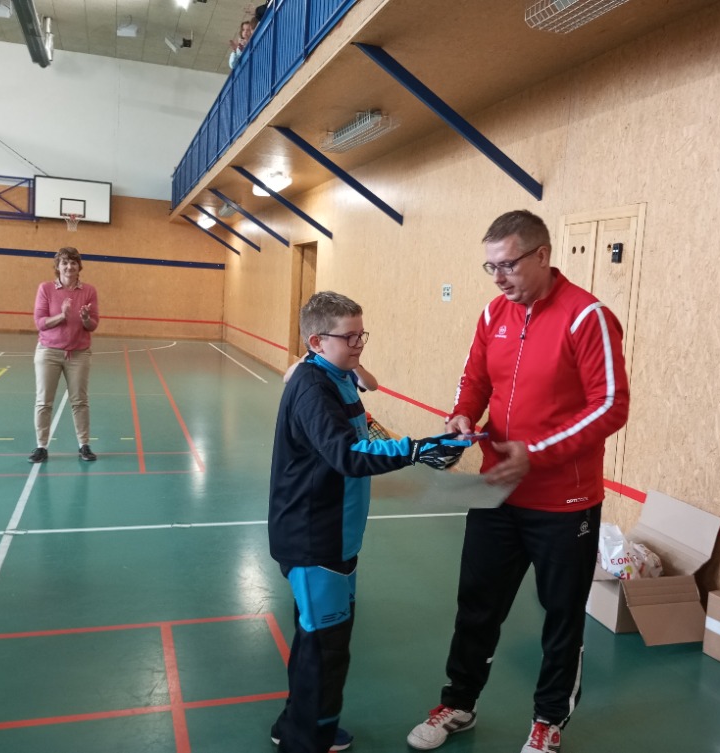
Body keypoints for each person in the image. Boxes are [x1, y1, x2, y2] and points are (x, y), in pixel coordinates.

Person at [406, 211, 630, 753]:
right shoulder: (493, 313)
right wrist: (461, 414)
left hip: (565, 503)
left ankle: (548, 721)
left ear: (542, 255)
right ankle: (459, 703)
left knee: (561, 617)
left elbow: (610, 405)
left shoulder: (588, 317)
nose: (499, 278)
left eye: (507, 265)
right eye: (490, 266)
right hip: (496, 493)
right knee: (476, 605)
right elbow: (475, 378)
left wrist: (539, 453)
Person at [269, 291, 471, 753]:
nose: (359, 344)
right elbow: (347, 454)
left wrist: (424, 448)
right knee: (325, 648)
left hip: (336, 534)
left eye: (363, 334)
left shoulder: (336, 375)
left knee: (317, 638)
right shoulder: (313, 388)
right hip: (313, 538)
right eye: (350, 337)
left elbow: (364, 428)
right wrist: (416, 450)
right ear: (317, 342)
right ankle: (305, 740)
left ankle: (300, 723)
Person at [29, 247, 100, 464]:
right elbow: (40, 322)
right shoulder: (46, 289)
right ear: (58, 266)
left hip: (79, 353)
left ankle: (84, 445)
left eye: (73, 263)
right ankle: (41, 446)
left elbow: (93, 325)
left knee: (80, 401)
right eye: (65, 263)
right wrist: (62, 315)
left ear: (79, 266)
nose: (69, 267)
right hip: (48, 352)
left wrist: (85, 318)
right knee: (44, 401)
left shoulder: (89, 291)